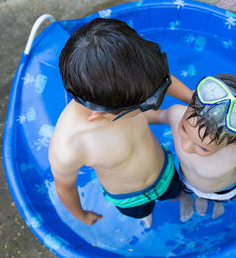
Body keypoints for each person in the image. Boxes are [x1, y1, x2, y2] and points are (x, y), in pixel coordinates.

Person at [49, 18, 192, 228]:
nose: (151, 103)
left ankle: (179, 197)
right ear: (100, 114)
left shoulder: (129, 90)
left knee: (175, 192)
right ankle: (145, 213)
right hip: (129, 196)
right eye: (147, 103)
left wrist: (193, 100)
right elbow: (65, 188)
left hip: (164, 170)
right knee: (140, 211)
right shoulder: (69, 147)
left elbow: (160, 79)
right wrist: (81, 214)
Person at [145, 74, 236, 222]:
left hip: (222, 191)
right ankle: (190, 197)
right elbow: (150, 116)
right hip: (187, 180)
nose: (186, 146)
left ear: (232, 143)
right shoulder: (176, 114)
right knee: (186, 190)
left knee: (220, 199)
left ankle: (217, 202)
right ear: (190, 103)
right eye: (183, 129)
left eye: (203, 148)